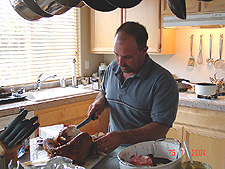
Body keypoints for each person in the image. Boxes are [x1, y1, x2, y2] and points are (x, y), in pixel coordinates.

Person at [87, 22, 179, 154]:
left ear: (144, 51)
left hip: (145, 155)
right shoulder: (112, 68)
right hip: (113, 151)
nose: (120, 62)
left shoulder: (163, 81)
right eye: (116, 54)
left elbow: (160, 128)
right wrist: (100, 101)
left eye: (127, 57)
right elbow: (103, 92)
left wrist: (121, 137)